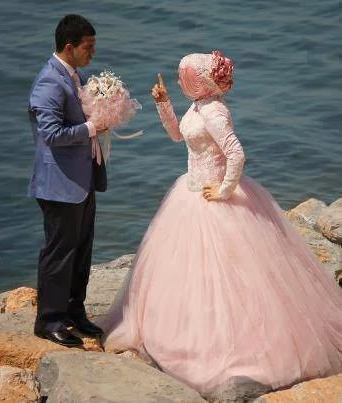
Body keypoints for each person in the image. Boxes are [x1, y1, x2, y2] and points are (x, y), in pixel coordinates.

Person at [101, 51, 342, 400]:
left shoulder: (214, 112)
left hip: (214, 197)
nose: (182, 81)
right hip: (191, 191)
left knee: (231, 273)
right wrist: (164, 104)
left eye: (186, 77)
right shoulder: (199, 106)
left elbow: (236, 154)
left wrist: (225, 189)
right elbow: (178, 136)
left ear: (202, 82)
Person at [27, 14, 107, 347]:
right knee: (59, 253)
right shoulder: (49, 81)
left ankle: (74, 312)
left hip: (82, 180)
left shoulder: (76, 76)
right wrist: (91, 127)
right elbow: (51, 134)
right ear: (70, 46)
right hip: (59, 184)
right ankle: (49, 321)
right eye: (88, 47)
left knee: (82, 250)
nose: (92, 52)